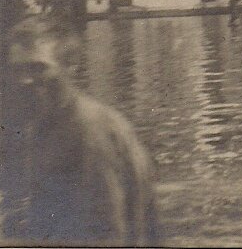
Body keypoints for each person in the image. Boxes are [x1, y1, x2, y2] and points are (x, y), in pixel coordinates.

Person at [9, 13, 158, 246]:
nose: (24, 80)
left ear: (71, 66)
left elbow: (109, 234)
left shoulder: (90, 130)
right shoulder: (46, 123)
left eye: (38, 68)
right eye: (17, 70)